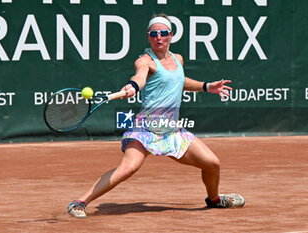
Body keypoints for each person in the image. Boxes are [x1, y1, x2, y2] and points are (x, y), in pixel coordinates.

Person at [67, 14, 245, 218]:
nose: (158, 37)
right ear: (148, 37)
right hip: (146, 130)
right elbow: (140, 76)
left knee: (212, 163)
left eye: (163, 33)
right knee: (128, 168)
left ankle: (214, 200)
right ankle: (79, 202)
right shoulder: (145, 61)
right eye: (153, 34)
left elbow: (179, 80)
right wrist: (133, 86)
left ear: (171, 35)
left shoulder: (177, 59)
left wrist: (206, 87)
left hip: (171, 131)